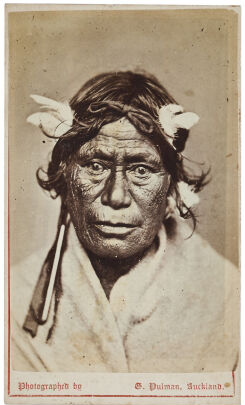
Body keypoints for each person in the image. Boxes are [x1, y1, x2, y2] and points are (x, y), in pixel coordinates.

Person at [11, 71, 239, 372]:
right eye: (95, 165)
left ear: (172, 187)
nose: (116, 196)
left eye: (141, 170)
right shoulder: (13, 297)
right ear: (65, 177)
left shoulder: (229, 297)